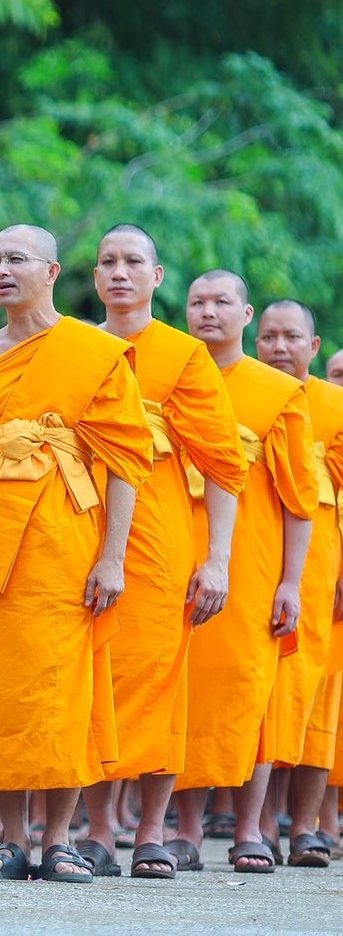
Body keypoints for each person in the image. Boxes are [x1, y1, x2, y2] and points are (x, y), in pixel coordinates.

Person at [0, 225, 154, 883]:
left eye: (16, 258)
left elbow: (126, 464)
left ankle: (59, 841)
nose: (2, 269)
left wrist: (112, 558)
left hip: (65, 544)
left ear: (51, 271)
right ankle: (10, 840)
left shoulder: (94, 351)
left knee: (60, 693)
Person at [73, 227, 245, 879]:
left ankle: (149, 831)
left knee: (155, 676)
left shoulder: (182, 355)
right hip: (76, 522)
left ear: (157, 275)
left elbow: (224, 465)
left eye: (133, 262)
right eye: (108, 262)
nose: (120, 273)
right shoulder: (70, 347)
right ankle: (92, 831)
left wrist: (219, 558)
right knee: (86, 675)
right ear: (93, 277)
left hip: (158, 535)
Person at [170, 272, 317, 875]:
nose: (208, 312)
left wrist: (290, 581)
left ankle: (250, 829)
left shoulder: (275, 392)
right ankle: (180, 830)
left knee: (247, 691)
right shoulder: (169, 377)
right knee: (177, 690)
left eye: (221, 302)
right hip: (173, 552)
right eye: (198, 302)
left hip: (251, 562)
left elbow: (299, 499)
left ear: (246, 314)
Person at [254, 298, 340, 868]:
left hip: (322, 570)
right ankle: (257, 825)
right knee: (258, 695)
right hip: (257, 558)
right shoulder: (247, 395)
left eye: (291, 338)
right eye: (268, 338)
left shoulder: (334, 405)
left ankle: (306, 826)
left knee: (316, 698)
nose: (279, 348)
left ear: (313, 346)